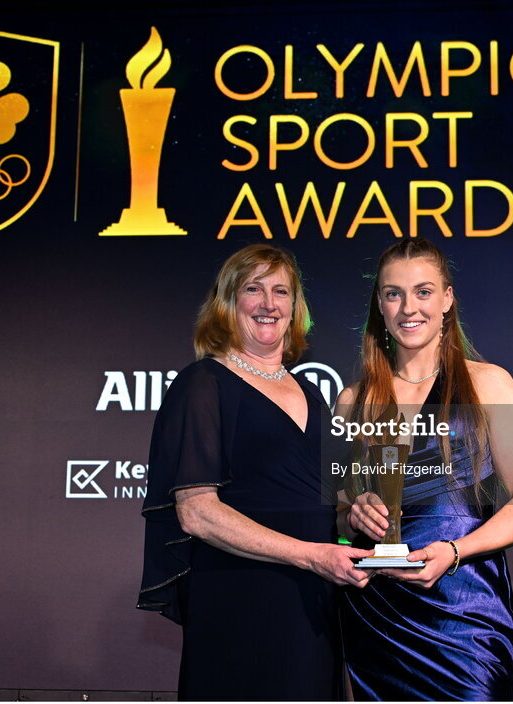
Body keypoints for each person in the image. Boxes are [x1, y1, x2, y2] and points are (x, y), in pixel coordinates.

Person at [137, 244, 372, 701]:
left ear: (295, 308)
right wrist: (311, 555)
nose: (268, 303)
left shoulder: (312, 394)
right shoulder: (203, 383)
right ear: (228, 303)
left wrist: (358, 515)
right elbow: (197, 513)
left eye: (281, 291)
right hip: (239, 597)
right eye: (253, 289)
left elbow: (335, 511)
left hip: (314, 603)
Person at [337, 239, 513, 701]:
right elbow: (339, 518)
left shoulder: (488, 384)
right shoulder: (353, 400)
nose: (409, 308)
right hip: (379, 618)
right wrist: (354, 513)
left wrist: (453, 551)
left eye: (423, 292)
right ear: (380, 305)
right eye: (394, 294)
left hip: (466, 616)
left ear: (448, 299)